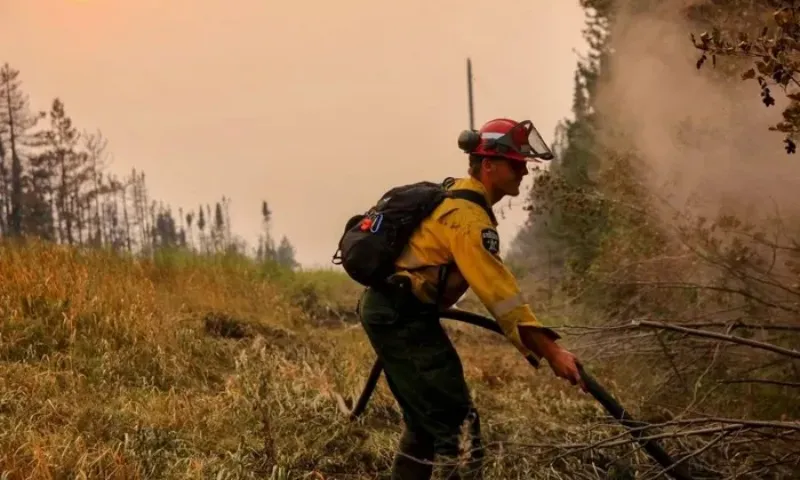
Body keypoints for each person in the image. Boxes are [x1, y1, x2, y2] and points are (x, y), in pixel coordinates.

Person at [356, 118, 586, 480]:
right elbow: (502, 296)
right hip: (400, 317)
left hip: (400, 314)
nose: (524, 171)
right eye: (516, 163)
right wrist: (552, 352)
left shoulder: (459, 200)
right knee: (454, 421)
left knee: (425, 423)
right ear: (489, 165)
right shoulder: (467, 219)